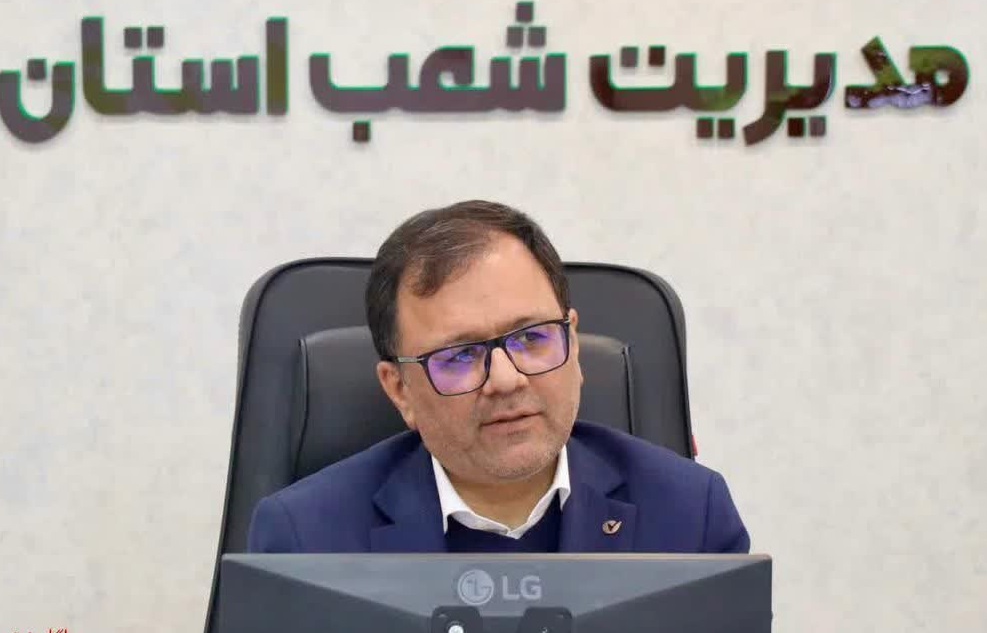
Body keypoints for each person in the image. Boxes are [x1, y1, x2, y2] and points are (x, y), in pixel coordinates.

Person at [247, 200, 750, 554]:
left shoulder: (691, 515)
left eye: (532, 338)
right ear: (400, 390)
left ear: (574, 344)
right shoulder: (305, 540)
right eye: (460, 355)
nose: (506, 381)